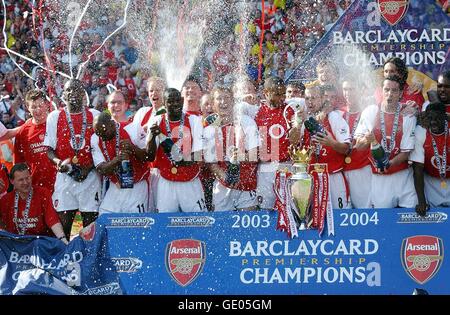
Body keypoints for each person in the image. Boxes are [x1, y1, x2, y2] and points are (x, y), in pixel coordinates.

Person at [44, 79, 101, 240]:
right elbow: (49, 150)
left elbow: (99, 149)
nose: (72, 93)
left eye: (76, 90)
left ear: (83, 94)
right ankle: (65, 259)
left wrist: (88, 168)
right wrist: (59, 163)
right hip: (65, 177)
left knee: (90, 228)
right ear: (64, 95)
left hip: (90, 178)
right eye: (68, 90)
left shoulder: (94, 115)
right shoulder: (54, 116)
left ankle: (89, 260)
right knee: (64, 226)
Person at [355, 76, 417, 208]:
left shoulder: (408, 114)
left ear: (400, 94)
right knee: (383, 222)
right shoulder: (371, 111)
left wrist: (389, 164)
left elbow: (406, 153)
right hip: (380, 179)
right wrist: (368, 138)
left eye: (394, 91)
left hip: (403, 176)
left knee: (411, 218)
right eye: (386, 90)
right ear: (381, 91)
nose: (390, 94)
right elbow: (358, 147)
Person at [146, 88, 206, 212]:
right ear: (163, 103)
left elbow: (196, 157)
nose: (175, 104)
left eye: (177, 101)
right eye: (170, 101)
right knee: (164, 221)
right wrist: (152, 137)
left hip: (189, 180)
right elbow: (150, 157)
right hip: (166, 180)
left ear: (182, 100)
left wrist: (164, 139)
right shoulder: (156, 121)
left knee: (199, 220)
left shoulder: (194, 120)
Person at [203, 86, 259, 211]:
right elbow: (211, 164)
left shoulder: (246, 122)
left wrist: (238, 157)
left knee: (248, 228)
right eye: (219, 99)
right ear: (212, 104)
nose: (224, 102)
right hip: (222, 187)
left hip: (246, 185)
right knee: (221, 227)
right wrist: (225, 176)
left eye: (227, 98)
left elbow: (255, 155)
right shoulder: (208, 130)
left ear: (233, 101)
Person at [298, 85, 352, 209]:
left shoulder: (333, 117)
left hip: (333, 176)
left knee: (339, 213)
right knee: (314, 217)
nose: (310, 102)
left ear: (323, 98)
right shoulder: (304, 121)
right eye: (307, 98)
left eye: (313, 98)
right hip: (312, 177)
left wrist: (331, 143)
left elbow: (347, 149)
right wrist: (297, 124)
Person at [91, 112, 150, 214]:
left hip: (136, 185)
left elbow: (148, 157)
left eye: (103, 132)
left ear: (112, 124)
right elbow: (101, 169)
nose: (102, 136)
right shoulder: (95, 138)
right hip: (116, 185)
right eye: (98, 133)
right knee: (104, 217)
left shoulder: (132, 128)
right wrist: (117, 160)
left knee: (136, 224)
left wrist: (133, 148)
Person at [0, 163, 68, 244]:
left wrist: (62, 239)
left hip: (40, 243)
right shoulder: (6, 199)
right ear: (12, 181)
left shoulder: (43, 193)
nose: (25, 182)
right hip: (16, 245)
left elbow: (52, 220)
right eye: (21, 180)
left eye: (28, 178)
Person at [254, 76, 294, 209]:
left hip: (285, 165)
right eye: (277, 94)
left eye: (283, 93)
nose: (282, 98)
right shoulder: (257, 112)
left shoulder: (289, 110)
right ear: (266, 93)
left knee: (288, 208)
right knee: (266, 208)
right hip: (265, 167)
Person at [410, 103, 450, 216]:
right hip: (431, 183)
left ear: (445, 118)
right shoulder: (421, 132)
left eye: (437, 118)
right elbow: (418, 169)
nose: (433, 122)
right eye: (430, 118)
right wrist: (421, 201)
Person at [13, 89, 57, 192]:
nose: (38, 110)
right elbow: (18, 165)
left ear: (47, 105)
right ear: (28, 108)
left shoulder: (57, 124)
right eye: (33, 107)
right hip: (36, 188)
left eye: (40, 106)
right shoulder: (23, 132)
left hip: (61, 186)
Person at [340, 77, 372, 208]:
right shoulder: (338, 113)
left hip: (361, 169)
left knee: (365, 210)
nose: (348, 93)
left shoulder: (369, 111)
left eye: (352, 89)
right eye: (345, 89)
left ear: (361, 90)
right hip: (340, 170)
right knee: (343, 213)